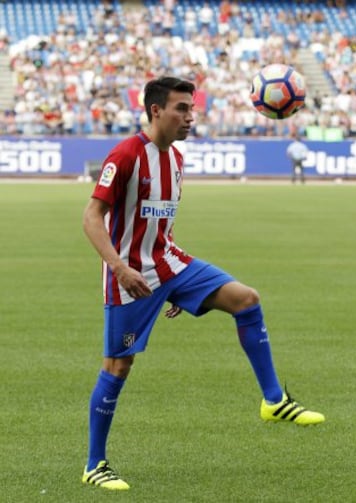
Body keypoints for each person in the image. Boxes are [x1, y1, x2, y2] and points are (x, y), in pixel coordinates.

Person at [81, 76, 325, 491]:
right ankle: (94, 464)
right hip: (131, 275)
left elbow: (161, 225)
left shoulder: (176, 158)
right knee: (118, 366)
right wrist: (120, 268)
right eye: (181, 109)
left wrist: (175, 287)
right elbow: (91, 217)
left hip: (170, 264)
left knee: (246, 299)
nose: (190, 117)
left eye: (192, 109)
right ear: (156, 110)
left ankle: (273, 400)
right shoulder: (125, 155)